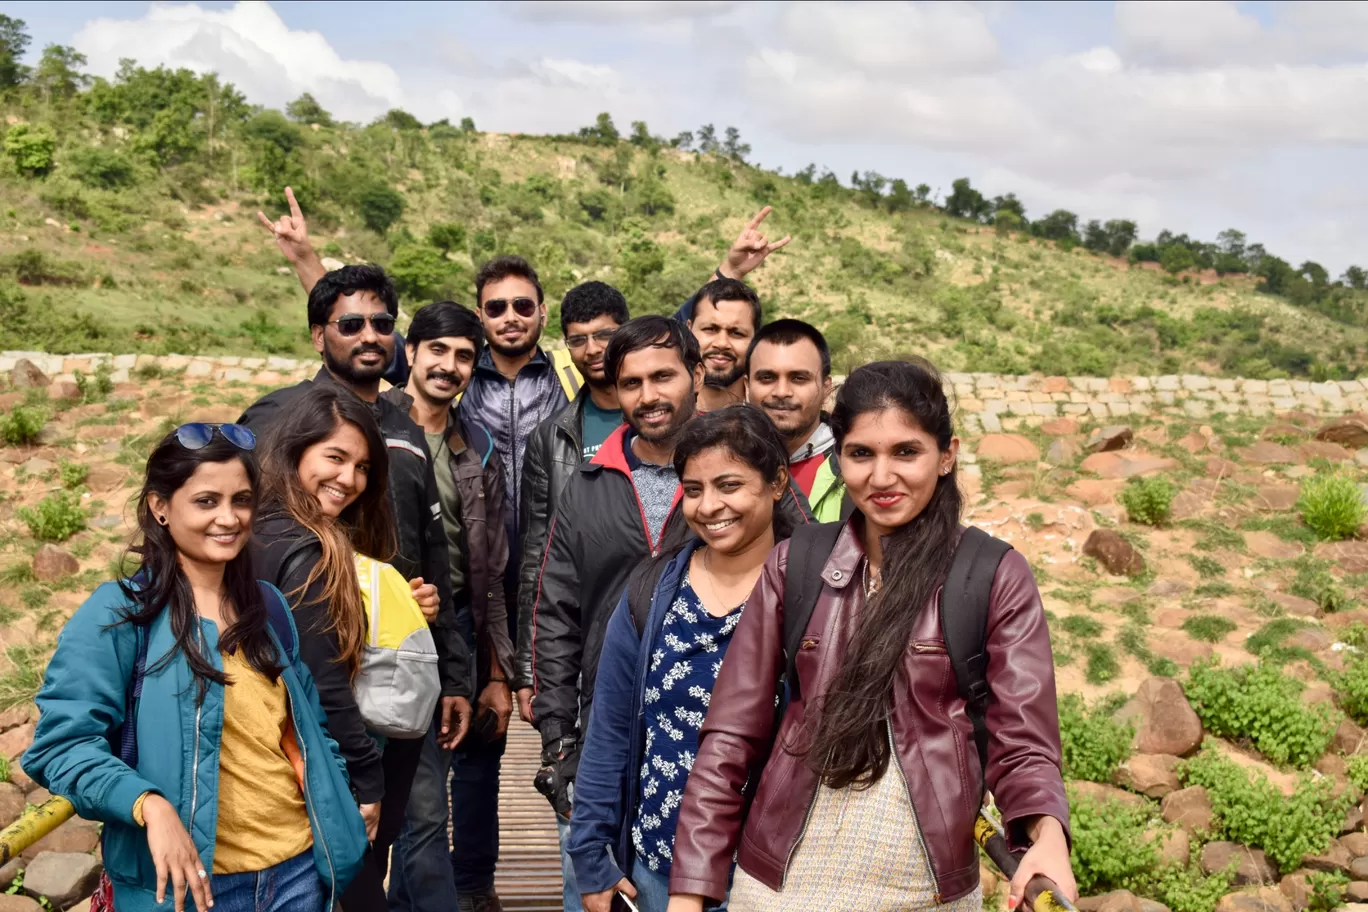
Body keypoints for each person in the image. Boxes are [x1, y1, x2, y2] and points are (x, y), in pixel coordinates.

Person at [666, 359, 1075, 912]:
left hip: (927, 891)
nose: (882, 477)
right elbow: (730, 738)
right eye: (861, 454)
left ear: (946, 454)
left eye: (906, 451)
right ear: (839, 460)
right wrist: (690, 893)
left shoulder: (991, 575)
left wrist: (1048, 839)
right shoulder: (797, 565)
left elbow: (1023, 740)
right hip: (780, 886)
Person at [530, 317, 813, 912]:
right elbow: (556, 607)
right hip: (648, 824)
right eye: (631, 381)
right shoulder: (596, 494)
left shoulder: (808, 590)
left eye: (663, 375)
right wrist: (558, 739)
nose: (711, 506)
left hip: (771, 862)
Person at [24, 423, 367, 912]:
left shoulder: (267, 607)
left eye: (241, 500)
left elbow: (310, 729)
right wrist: (149, 805)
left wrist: (340, 806)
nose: (228, 518)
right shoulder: (120, 615)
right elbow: (61, 746)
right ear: (160, 507)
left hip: (298, 875)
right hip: (194, 888)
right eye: (206, 501)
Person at [237, 266, 474, 894]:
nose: (369, 335)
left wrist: (451, 668)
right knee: (325, 850)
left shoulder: (403, 426)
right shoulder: (279, 414)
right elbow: (236, 522)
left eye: (381, 324)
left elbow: (426, 556)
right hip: (305, 687)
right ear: (319, 335)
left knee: (401, 828)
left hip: (395, 666)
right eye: (350, 323)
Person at [569, 406, 797, 912]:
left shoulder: (811, 592)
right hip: (658, 868)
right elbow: (610, 731)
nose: (710, 505)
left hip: (769, 878)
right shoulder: (653, 591)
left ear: (777, 481)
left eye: (730, 485)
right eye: (693, 490)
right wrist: (590, 854)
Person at [250, 385, 426, 911]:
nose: (349, 480)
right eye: (334, 457)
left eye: (363, 467)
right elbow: (322, 678)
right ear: (293, 451)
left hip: (270, 769)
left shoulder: (258, 530)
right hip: (318, 772)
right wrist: (368, 783)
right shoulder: (309, 550)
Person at [380, 301, 514, 912]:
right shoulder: (368, 429)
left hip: (453, 620)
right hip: (381, 625)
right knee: (415, 798)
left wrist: (494, 672)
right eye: (438, 350)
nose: (450, 365)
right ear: (410, 352)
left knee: (426, 791)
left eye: (464, 355)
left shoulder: (476, 446)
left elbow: (494, 568)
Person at [513, 281, 630, 724]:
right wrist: (530, 670)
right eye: (578, 340)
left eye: (604, 335)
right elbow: (536, 557)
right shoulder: (551, 435)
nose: (592, 349)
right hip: (578, 627)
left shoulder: (661, 421)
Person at [458, 255, 582, 643]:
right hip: (476, 572)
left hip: (558, 569)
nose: (510, 316)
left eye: (522, 305)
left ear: (542, 313)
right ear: (481, 316)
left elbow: (656, 344)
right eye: (497, 307)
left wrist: (727, 272)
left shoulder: (571, 375)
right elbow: (367, 346)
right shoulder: (456, 380)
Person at [745, 319, 845, 521]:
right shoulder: (718, 460)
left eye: (799, 378)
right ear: (747, 387)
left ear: (826, 388)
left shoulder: (853, 470)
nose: (781, 392)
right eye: (767, 378)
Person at [688, 278, 762, 413]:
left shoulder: (773, 425)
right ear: (688, 331)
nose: (721, 343)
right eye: (710, 329)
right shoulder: (658, 421)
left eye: (737, 333)